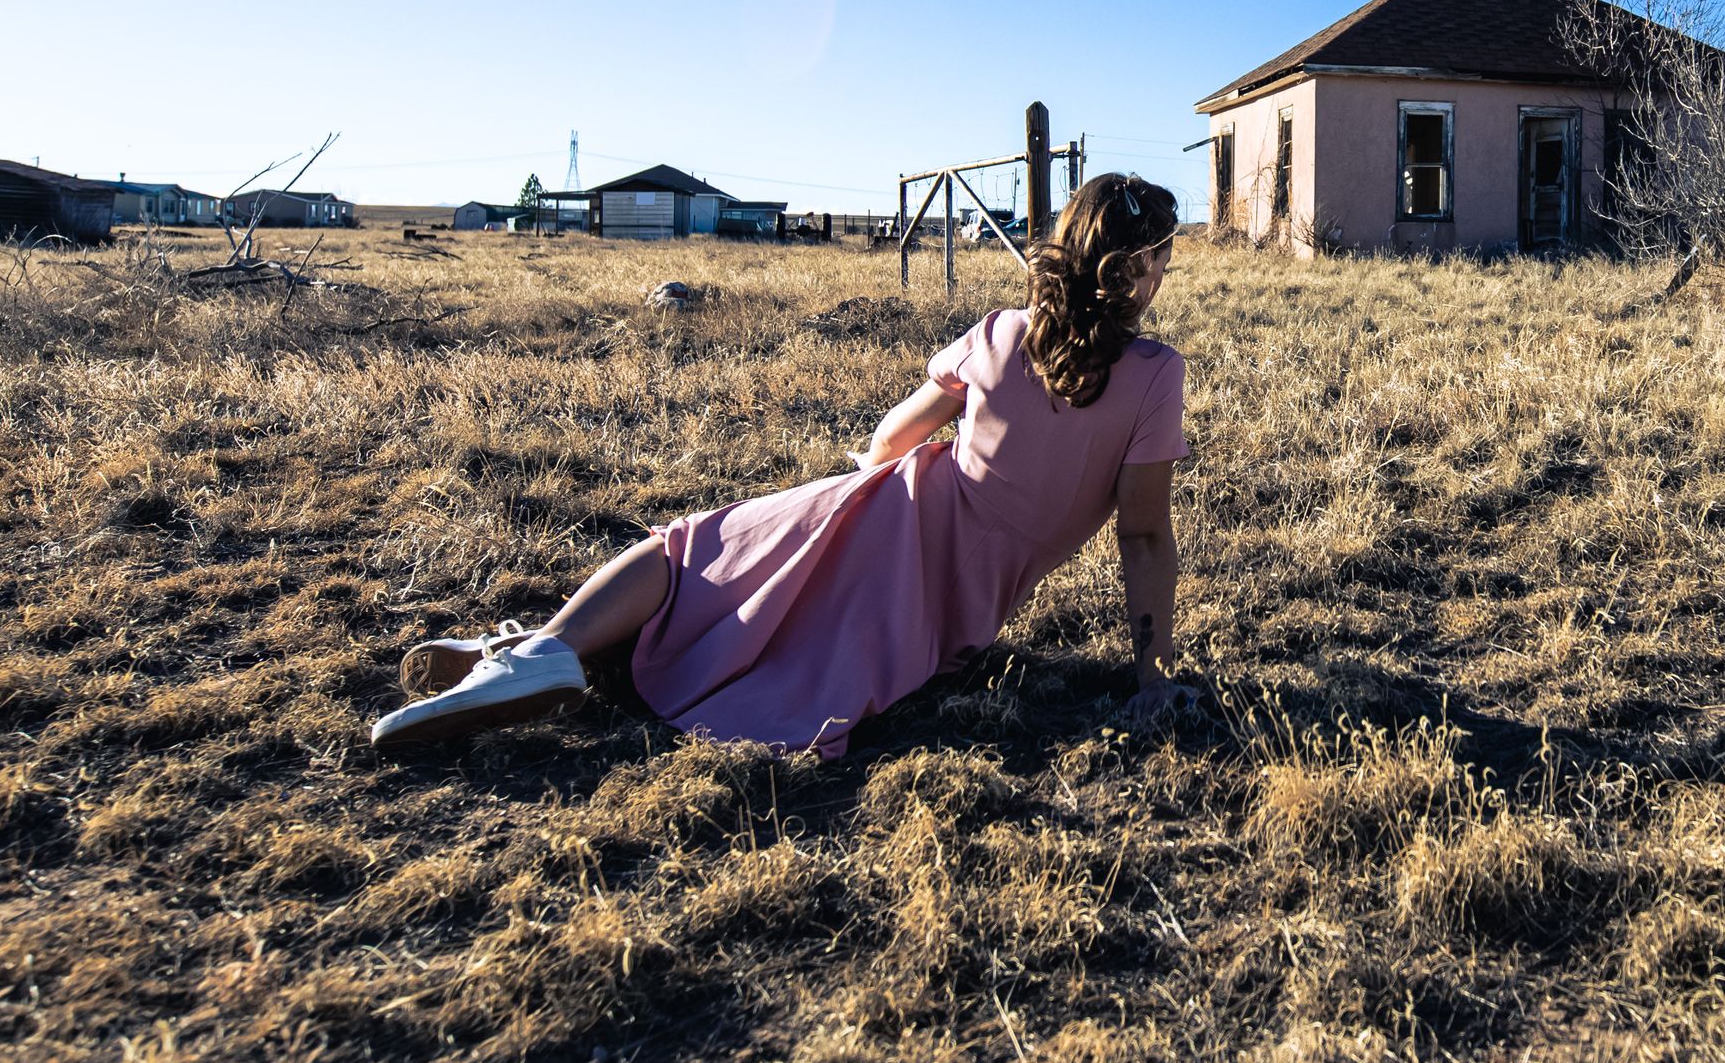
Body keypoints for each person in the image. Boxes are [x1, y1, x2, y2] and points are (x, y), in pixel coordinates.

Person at [370, 173, 1190, 757]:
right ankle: (530, 657)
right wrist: (1152, 678)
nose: (1162, 274)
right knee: (761, 629)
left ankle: (540, 652)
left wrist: (851, 487)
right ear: (1133, 267)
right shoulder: (1154, 376)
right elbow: (1144, 537)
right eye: (1158, 258)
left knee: (696, 556)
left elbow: (895, 437)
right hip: (953, 609)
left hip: (896, 513)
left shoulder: (1001, 333)